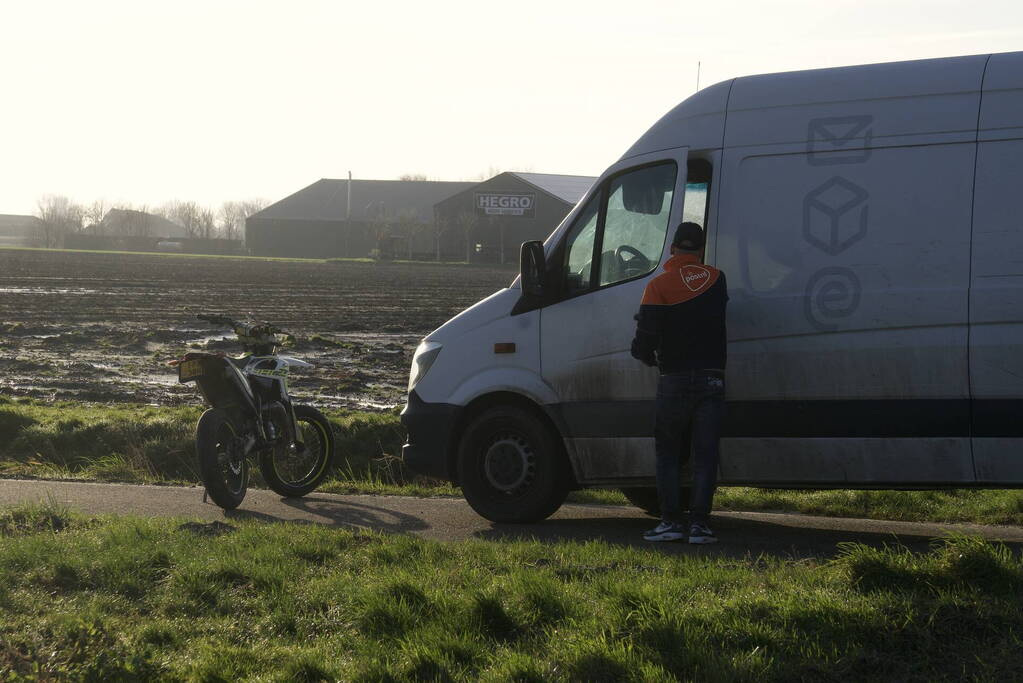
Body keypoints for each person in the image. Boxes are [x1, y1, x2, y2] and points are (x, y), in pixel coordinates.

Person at [630, 222, 728, 544]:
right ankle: (700, 525)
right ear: (700, 251)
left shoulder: (657, 285)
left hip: (673, 378)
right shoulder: (718, 279)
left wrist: (645, 355)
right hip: (712, 378)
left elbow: (646, 336)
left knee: (669, 453)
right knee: (705, 455)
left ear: (672, 249)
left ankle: (671, 522)